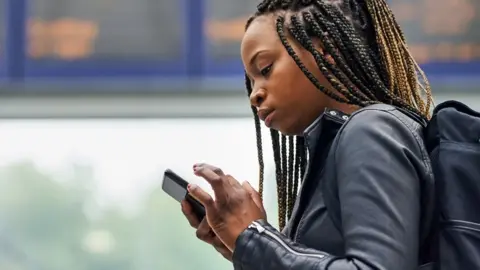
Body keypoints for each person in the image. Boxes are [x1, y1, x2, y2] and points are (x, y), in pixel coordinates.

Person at [181, 0, 436, 269]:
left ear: (325, 51)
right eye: (251, 82)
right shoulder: (339, 151)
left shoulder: (370, 130)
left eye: (265, 69)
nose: (255, 95)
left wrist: (256, 237)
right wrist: (242, 246)